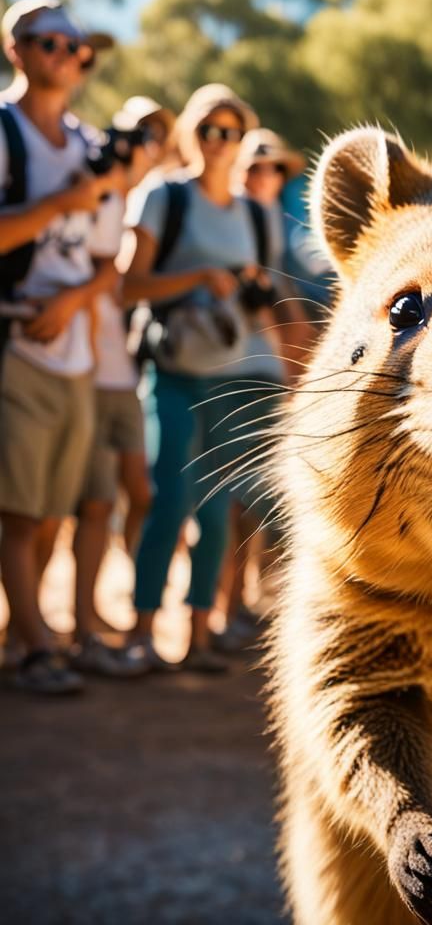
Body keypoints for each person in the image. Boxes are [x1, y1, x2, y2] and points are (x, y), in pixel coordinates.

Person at [0, 0, 120, 694]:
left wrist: (72, 302)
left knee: (50, 515)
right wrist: (54, 208)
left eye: (78, 48)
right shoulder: (4, 131)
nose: (68, 56)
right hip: (15, 346)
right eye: (51, 42)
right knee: (17, 514)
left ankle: (24, 636)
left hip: (75, 353)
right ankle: (38, 650)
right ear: (15, 49)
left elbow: (108, 261)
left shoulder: (89, 146)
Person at [125, 83, 264, 673]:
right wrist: (199, 278)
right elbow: (128, 285)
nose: (219, 141)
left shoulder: (252, 213)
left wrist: (253, 289)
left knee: (215, 511)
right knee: (169, 502)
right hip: (174, 370)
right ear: (191, 133)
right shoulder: (165, 196)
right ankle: (141, 632)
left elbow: (260, 300)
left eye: (231, 132)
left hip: (229, 375)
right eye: (209, 129)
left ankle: (199, 636)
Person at [68, 97, 177, 676]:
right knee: (82, 503)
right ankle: (76, 625)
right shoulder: (96, 191)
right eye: (139, 133)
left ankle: (109, 610)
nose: (147, 145)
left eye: (157, 135)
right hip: (80, 370)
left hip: (124, 375)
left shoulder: (149, 201)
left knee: (137, 493)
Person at [212, 128, 307, 653]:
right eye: (255, 167)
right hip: (226, 370)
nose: (265, 177)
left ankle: (247, 601)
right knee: (233, 497)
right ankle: (223, 610)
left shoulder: (274, 225)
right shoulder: (231, 218)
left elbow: (282, 303)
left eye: (274, 169)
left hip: (266, 372)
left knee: (260, 495)